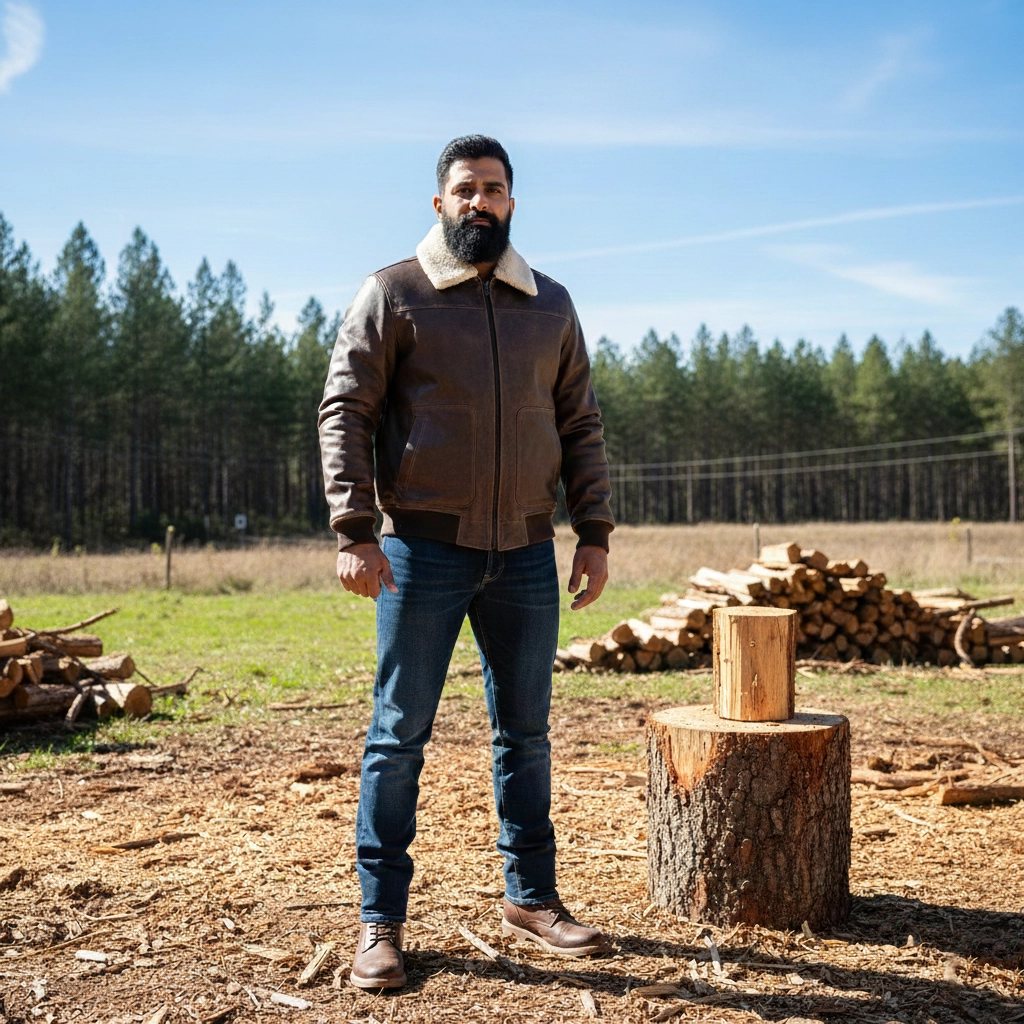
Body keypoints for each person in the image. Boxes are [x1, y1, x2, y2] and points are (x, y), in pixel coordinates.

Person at [319, 134, 614, 990]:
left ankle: (532, 897)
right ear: (439, 202)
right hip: (421, 550)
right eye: (464, 189)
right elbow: (346, 411)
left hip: (526, 550)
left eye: (493, 189)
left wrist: (592, 531)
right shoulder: (394, 293)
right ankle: (381, 921)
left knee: (524, 734)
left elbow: (581, 424)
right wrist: (354, 527)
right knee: (397, 735)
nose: (479, 202)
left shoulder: (550, 305)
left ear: (512, 203)